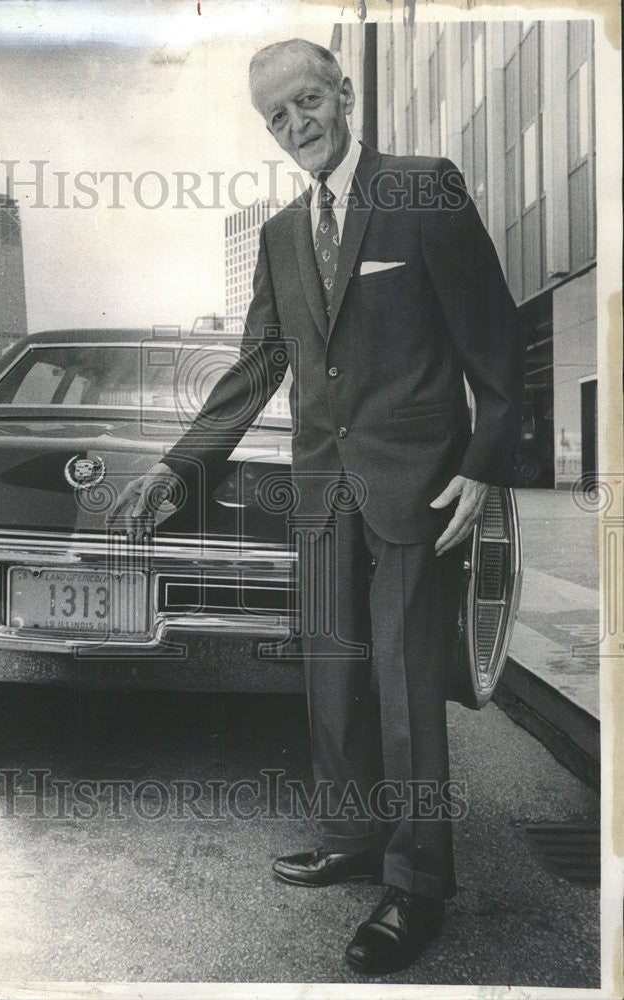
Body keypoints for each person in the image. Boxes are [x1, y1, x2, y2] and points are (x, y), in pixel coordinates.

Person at [108, 38, 524, 974]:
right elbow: (259, 363)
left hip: (419, 484)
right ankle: (352, 838)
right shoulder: (281, 233)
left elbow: (494, 339)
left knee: (409, 688)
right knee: (333, 675)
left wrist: (488, 465)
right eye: (278, 118)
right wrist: (181, 467)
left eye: (309, 102)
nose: (299, 127)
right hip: (321, 487)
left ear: (344, 92)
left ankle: (418, 888)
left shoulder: (423, 189)